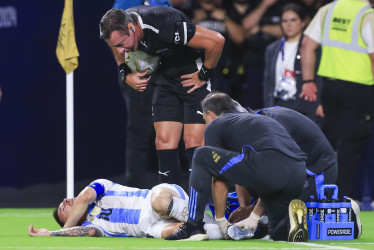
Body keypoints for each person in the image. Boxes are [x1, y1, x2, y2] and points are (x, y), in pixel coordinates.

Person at [99, 6, 225, 185]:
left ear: (132, 28)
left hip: (191, 74)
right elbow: (114, 45)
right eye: (115, 46)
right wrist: (124, 73)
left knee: (194, 142)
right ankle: (171, 204)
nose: (120, 51)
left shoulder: (165, 24)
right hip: (164, 77)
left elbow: (217, 41)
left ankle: (196, 207)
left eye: (121, 44)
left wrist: (204, 74)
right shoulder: (118, 28)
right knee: (164, 142)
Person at [165, 92, 308, 242]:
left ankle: (193, 227)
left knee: (201, 155)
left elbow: (218, 178)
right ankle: (285, 227)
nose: (206, 123)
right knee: (276, 232)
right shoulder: (258, 120)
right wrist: (253, 218)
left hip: (269, 165)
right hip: (297, 171)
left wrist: (221, 222)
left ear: (210, 114)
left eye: (204, 119)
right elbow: (270, 174)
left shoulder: (216, 124)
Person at [301, 0, 374, 200]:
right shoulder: (367, 14)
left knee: (329, 145)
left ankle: (321, 196)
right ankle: (343, 201)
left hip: (330, 88)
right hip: (360, 88)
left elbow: (307, 45)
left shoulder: (328, 10)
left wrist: (308, 81)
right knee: (351, 147)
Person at [28, 179, 222, 239]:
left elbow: (85, 197)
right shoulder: (94, 226)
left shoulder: (100, 187)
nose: (67, 200)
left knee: (158, 202)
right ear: (71, 220)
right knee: (171, 234)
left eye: (66, 200)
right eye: (64, 207)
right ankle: (220, 231)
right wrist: (54, 234)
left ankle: (203, 218)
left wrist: (61, 230)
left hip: (156, 198)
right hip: (147, 226)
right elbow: (90, 231)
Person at [262, 3, 324, 127]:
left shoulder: (312, 48)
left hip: (305, 106)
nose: (288, 24)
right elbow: (268, 81)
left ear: (303, 23)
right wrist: (267, 108)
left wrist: (321, 103)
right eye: (284, 21)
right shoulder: (272, 49)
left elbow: (320, 77)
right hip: (278, 106)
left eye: (293, 20)